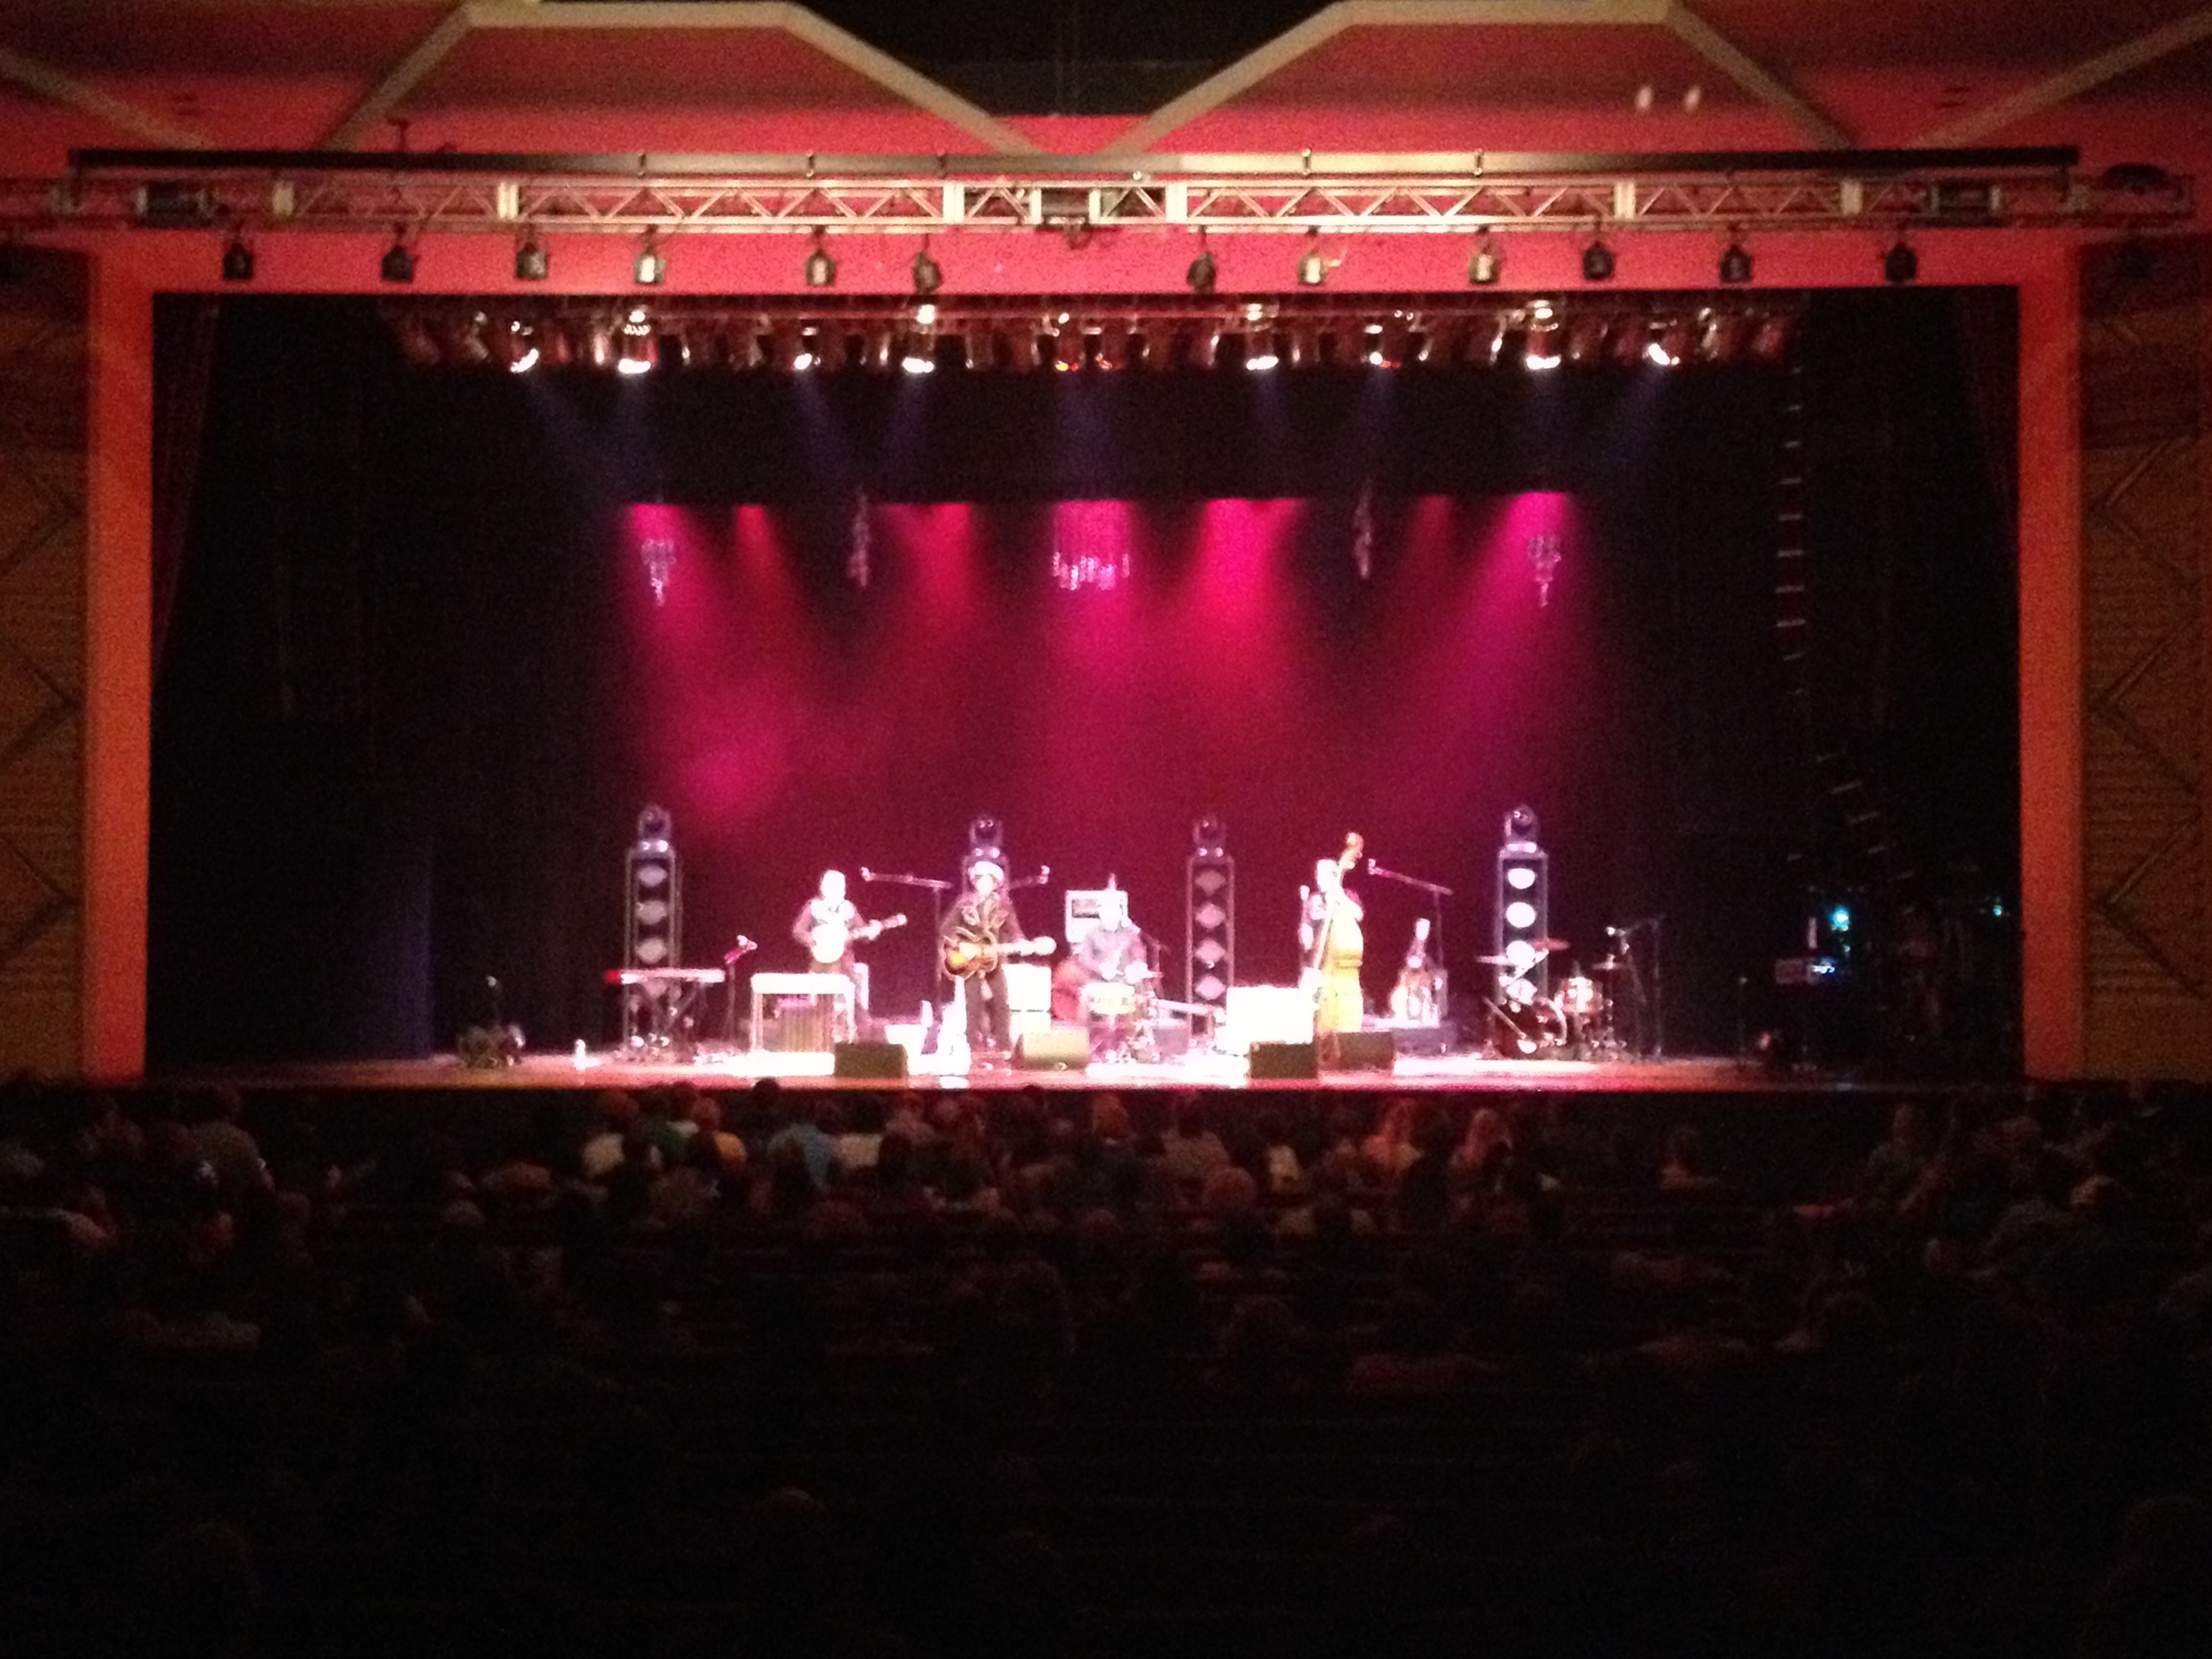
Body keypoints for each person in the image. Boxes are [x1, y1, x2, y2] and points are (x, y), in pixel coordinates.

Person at [941, 859, 1027, 1061]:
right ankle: (973, 1045)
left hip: (994, 958)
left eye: (988, 881)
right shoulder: (963, 903)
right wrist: (960, 945)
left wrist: (1021, 942)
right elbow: (946, 928)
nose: (984, 884)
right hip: (969, 960)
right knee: (973, 1001)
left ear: (996, 883)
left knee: (1001, 1000)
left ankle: (1004, 1044)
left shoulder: (1004, 905)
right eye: (980, 880)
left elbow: (1013, 930)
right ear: (975, 882)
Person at [1071, 885, 1149, 1059]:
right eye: (1105, 909)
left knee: (1141, 994)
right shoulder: (1092, 933)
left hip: (1124, 982)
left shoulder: (1130, 933)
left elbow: (1139, 954)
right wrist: (1101, 968)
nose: (1109, 913)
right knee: (1084, 995)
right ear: (1100, 912)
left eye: (1113, 909)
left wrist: (1135, 966)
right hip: (1099, 981)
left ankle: (1135, 1043)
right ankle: (1080, 1044)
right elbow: (1084, 959)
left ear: (1120, 912)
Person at [1300, 855, 1365, 1038]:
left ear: (1333, 875)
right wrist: (1305, 929)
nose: (1318, 880)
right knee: (1310, 1000)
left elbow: (1358, 915)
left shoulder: (1348, 896)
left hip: (1341, 966)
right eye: (1317, 875)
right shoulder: (1314, 900)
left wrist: (1339, 895)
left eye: (1322, 875)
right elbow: (1306, 930)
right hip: (1318, 962)